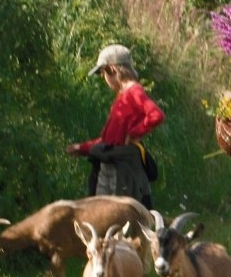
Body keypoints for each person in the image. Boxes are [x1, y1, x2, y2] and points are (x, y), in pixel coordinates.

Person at [66, 44, 164, 209]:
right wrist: (82, 148)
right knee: (102, 213)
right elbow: (108, 140)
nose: (104, 78)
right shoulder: (123, 96)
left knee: (120, 216)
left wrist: (134, 132)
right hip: (110, 165)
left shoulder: (134, 92)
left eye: (103, 73)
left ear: (113, 70)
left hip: (123, 168)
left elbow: (156, 115)